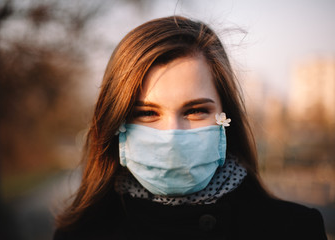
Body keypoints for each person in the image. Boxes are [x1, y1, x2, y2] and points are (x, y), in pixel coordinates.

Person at [53, 16, 327, 240]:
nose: (172, 134)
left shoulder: (294, 230)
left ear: (224, 118)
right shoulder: (79, 234)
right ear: (117, 123)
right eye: (147, 113)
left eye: (195, 111)